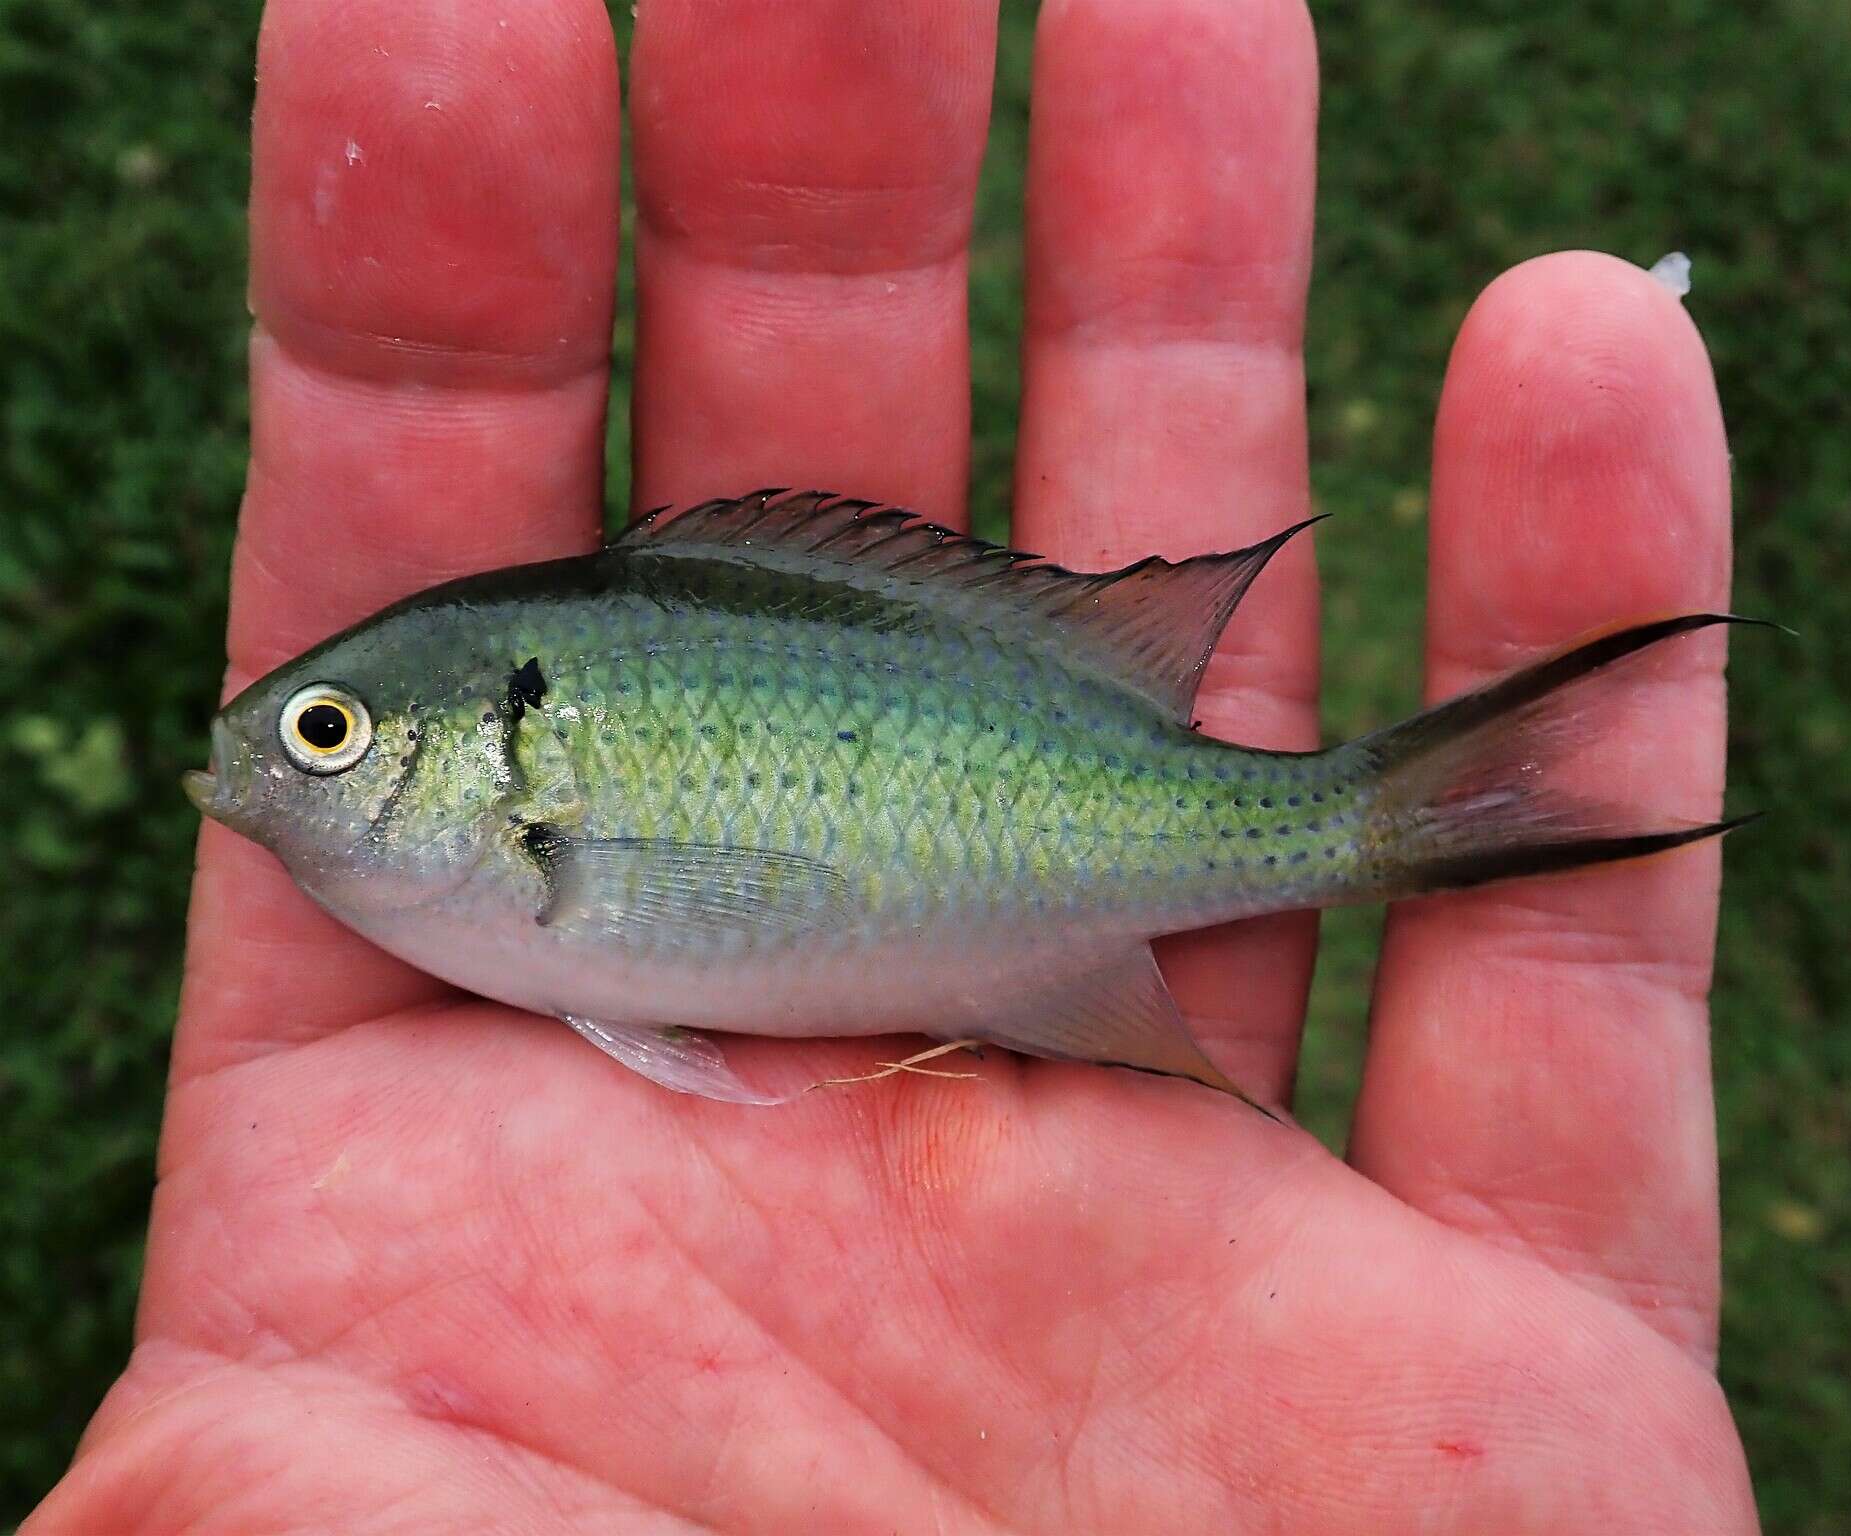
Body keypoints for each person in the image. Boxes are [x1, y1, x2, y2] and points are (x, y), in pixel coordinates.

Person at [30, 0, 1760, 1529]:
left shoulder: (517, 863)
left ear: (496, 756)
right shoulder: (475, 877)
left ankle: (1388, 820)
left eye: (323, 733)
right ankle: (1405, 813)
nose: (276, 756)